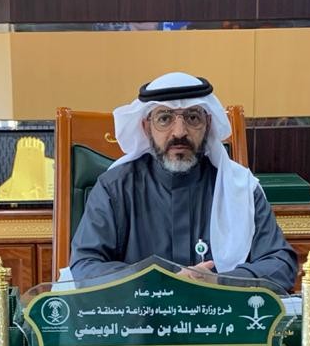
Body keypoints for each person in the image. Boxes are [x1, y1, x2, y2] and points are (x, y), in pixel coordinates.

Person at [69, 72, 297, 292]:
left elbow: (281, 265)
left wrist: (221, 282)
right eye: (164, 118)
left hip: (217, 313)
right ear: (146, 127)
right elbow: (85, 266)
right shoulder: (115, 188)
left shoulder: (239, 188)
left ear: (208, 124)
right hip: (141, 314)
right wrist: (159, 282)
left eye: (192, 118)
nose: (179, 132)